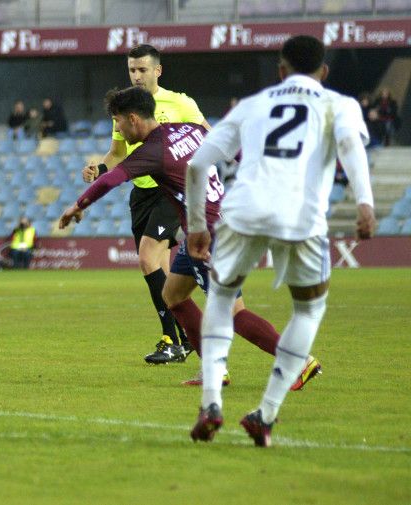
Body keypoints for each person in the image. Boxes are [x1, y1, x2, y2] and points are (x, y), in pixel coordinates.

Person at [60, 86, 319, 390]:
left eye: (117, 121)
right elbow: (233, 149)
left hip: (211, 237)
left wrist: (77, 206)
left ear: (132, 118)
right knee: (173, 295)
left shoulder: (151, 152)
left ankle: (298, 360)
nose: (116, 128)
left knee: (234, 312)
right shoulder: (190, 129)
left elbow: (110, 179)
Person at [185, 35, 374, 447]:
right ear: (324, 72)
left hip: (242, 213)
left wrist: (197, 224)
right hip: (301, 219)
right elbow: (348, 146)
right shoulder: (338, 104)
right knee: (307, 310)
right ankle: (266, 413)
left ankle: (211, 402)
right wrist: (365, 202)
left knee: (220, 299)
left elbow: (198, 163)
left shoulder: (251, 106)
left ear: (280, 70)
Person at [82, 44, 212, 365]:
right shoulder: (126, 107)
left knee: (146, 256)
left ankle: (172, 338)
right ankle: (183, 338)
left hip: (168, 191)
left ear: (158, 71)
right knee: (159, 267)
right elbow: (117, 153)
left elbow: (206, 135)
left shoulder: (180, 102)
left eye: (142, 70)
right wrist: (100, 169)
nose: (136, 76)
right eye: (131, 70)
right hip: (140, 194)